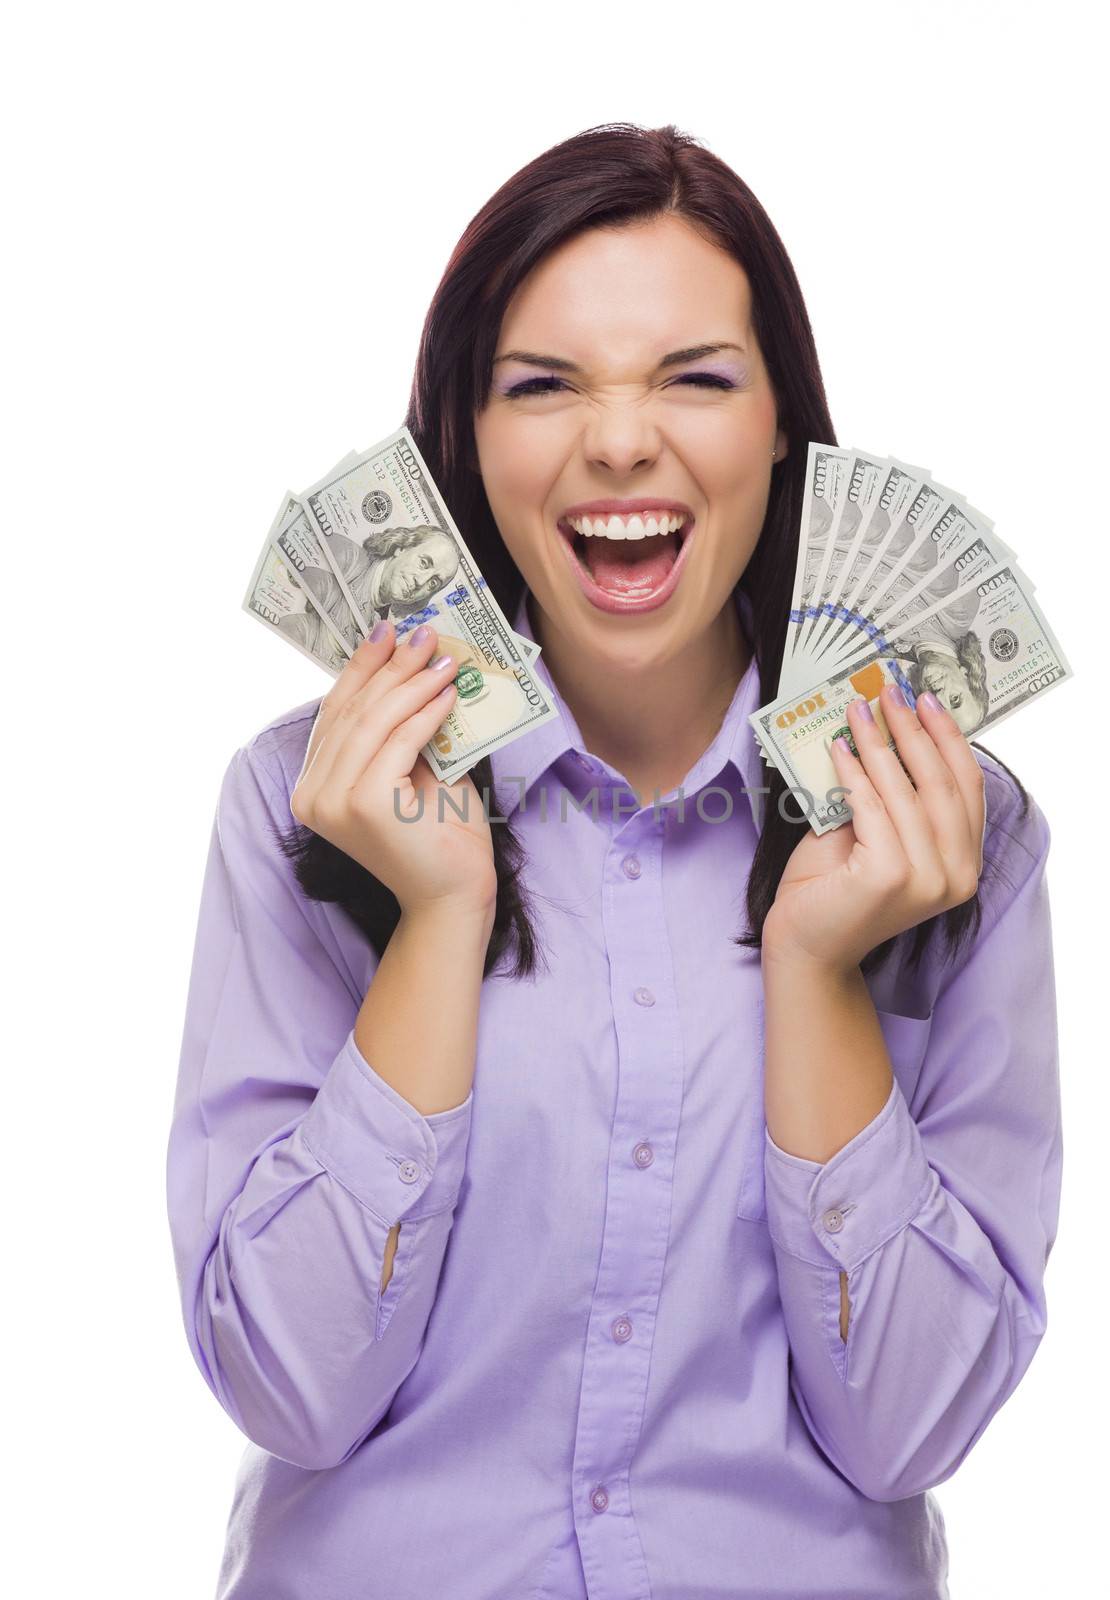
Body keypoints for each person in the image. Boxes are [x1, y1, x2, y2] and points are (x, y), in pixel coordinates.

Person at [166, 123, 1061, 1599]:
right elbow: (289, 1389)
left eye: (696, 378)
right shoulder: (307, 807)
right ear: (466, 432)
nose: (622, 440)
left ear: (781, 421)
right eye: (545, 386)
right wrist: (441, 918)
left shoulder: (950, 834)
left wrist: (820, 967)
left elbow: (909, 1430)